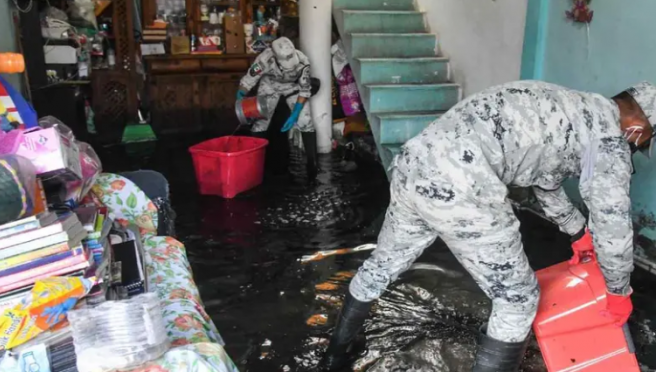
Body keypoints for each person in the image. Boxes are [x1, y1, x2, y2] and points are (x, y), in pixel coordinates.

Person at [321, 81, 656, 371]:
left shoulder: (571, 103)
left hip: (416, 165)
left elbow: (546, 181)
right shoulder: (609, 140)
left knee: (384, 264)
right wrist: (617, 291)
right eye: (643, 142)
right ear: (639, 125)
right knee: (518, 300)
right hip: (463, 185)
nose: (636, 149)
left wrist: (577, 233)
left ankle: (336, 355)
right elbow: (613, 225)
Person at [237, 37, 318, 179]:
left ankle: (312, 166)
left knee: (306, 121)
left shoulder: (303, 61)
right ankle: (256, 165)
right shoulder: (263, 60)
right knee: (260, 122)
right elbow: (249, 79)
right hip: (270, 85)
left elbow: (305, 90)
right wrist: (240, 97)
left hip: (293, 87)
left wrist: (295, 114)